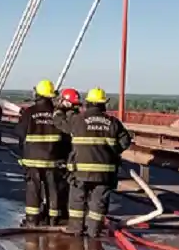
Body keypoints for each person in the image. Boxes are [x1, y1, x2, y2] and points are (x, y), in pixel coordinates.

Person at [52, 87, 133, 237]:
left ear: (88, 103)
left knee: (77, 199)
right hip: (105, 173)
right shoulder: (113, 122)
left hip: (80, 171)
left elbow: (60, 123)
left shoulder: (78, 120)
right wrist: (111, 152)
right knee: (98, 202)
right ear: (103, 104)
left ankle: (75, 228)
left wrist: (59, 109)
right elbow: (125, 142)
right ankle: (94, 231)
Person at [15, 80, 67, 227]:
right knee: (53, 189)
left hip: (32, 160)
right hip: (53, 159)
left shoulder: (29, 112)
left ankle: (32, 220)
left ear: (38, 94)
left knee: (33, 189)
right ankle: (53, 219)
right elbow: (66, 137)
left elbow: (20, 133)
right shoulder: (57, 114)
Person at [53, 88, 81, 224]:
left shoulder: (61, 116)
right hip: (71, 154)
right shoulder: (78, 117)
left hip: (63, 154)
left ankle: (61, 214)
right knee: (68, 186)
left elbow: (65, 128)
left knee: (62, 186)